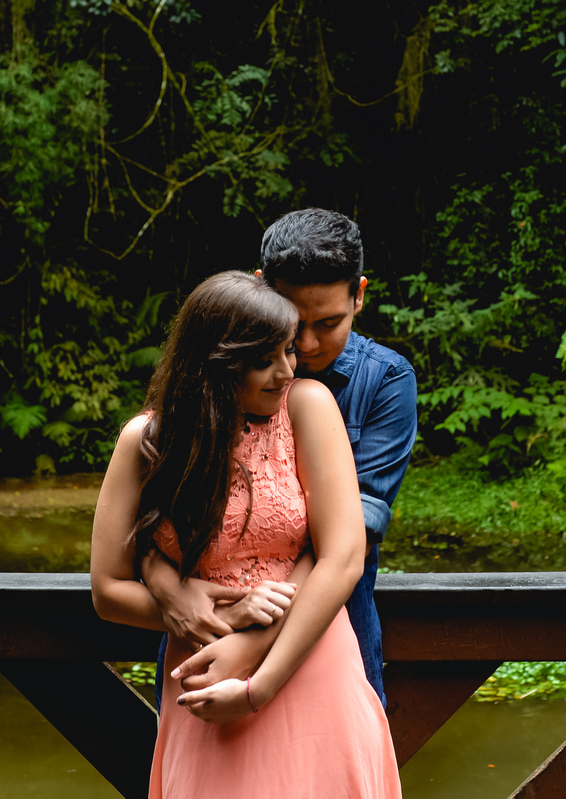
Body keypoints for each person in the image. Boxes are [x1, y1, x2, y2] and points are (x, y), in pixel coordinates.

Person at [91, 271, 401, 797]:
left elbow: (342, 556)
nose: (286, 370)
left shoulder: (308, 406)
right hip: (206, 674)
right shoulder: (145, 441)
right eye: (265, 359)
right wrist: (191, 610)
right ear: (215, 364)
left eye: (287, 352)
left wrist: (258, 684)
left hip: (307, 656)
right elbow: (107, 591)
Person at [142, 209, 417, 708]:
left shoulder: (386, 382)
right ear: (260, 290)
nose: (306, 347)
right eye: (293, 322)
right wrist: (167, 585)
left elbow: (344, 542)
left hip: (332, 635)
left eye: (329, 323)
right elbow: (156, 515)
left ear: (360, 293)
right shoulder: (215, 384)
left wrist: (251, 655)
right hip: (204, 641)